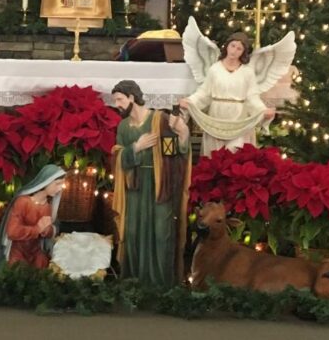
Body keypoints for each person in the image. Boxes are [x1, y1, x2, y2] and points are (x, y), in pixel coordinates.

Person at [110, 80, 191, 289]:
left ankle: (161, 286)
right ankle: (134, 283)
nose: (117, 104)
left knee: (161, 234)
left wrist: (183, 134)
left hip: (159, 187)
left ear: (131, 97)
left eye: (119, 99)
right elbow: (117, 156)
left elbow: (174, 154)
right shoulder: (123, 126)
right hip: (134, 188)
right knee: (133, 233)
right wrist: (136, 147)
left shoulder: (160, 120)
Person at [179, 32, 275, 156]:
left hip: (239, 120)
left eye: (239, 48)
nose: (234, 51)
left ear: (243, 52)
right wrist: (190, 101)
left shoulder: (247, 72)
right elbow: (204, 93)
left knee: (236, 153)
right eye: (232, 45)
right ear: (227, 46)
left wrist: (263, 111)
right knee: (215, 154)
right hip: (217, 117)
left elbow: (252, 97)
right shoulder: (215, 69)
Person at [0, 164, 66, 269]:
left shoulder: (48, 207)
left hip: (35, 253)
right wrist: (37, 229)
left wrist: (47, 231)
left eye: (61, 185)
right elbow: (12, 231)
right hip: (18, 253)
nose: (60, 188)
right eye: (57, 184)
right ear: (47, 181)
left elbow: (50, 232)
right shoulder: (23, 202)